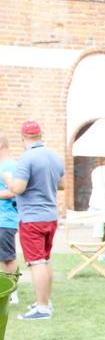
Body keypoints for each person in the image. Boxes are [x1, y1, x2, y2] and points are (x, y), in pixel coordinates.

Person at [4, 121, 64, 320]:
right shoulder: (54, 156)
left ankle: (42, 308)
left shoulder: (26, 157)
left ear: (23, 137)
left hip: (32, 218)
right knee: (45, 260)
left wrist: (8, 180)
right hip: (50, 216)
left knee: (36, 262)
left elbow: (18, 188)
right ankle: (45, 301)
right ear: (41, 134)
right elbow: (62, 184)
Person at [0, 134, 19, 304]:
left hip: (5, 219)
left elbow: (14, 191)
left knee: (7, 257)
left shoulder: (9, 166)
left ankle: (13, 293)